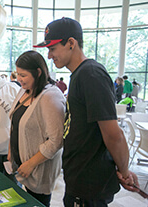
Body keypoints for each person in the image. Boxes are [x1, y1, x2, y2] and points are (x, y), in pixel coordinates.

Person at [35, 17, 139, 206]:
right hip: (79, 181)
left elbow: (114, 135)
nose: (49, 56)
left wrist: (124, 171)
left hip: (89, 185)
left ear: (71, 43)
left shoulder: (91, 74)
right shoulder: (79, 75)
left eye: (52, 48)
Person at [8, 50, 65, 206]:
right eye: (17, 74)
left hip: (38, 170)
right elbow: (15, 124)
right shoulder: (24, 90)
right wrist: (10, 152)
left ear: (38, 72)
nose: (19, 79)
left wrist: (30, 164)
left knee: (38, 203)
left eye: (23, 75)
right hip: (23, 166)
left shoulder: (50, 96)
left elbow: (56, 140)